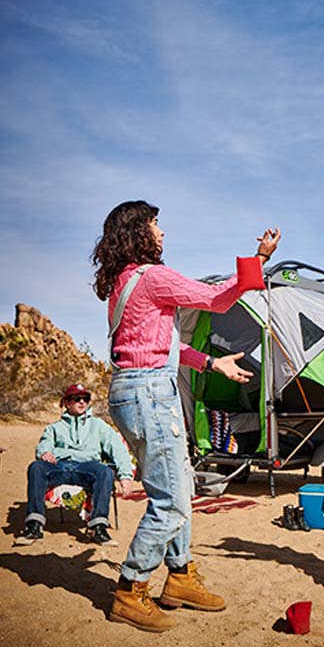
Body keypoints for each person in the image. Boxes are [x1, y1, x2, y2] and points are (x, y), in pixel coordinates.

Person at [91, 200, 280, 632]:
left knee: (176, 486)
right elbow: (216, 297)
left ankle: (179, 577)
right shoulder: (154, 277)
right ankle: (130, 588)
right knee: (173, 500)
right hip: (150, 394)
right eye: (156, 224)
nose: (163, 232)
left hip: (133, 391)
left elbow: (161, 345)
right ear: (138, 232)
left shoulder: (125, 281)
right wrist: (260, 260)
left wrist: (212, 365)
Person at [16, 383, 134, 546]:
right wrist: (44, 452)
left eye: (85, 399)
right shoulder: (54, 428)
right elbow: (44, 444)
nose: (82, 402)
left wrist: (125, 476)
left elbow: (117, 448)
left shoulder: (99, 426)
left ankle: (98, 527)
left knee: (104, 471)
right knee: (36, 467)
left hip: (87, 467)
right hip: (60, 466)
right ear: (67, 403)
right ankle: (34, 525)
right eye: (76, 399)